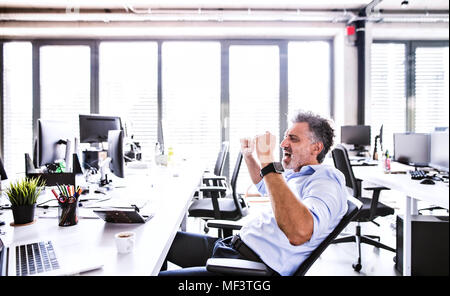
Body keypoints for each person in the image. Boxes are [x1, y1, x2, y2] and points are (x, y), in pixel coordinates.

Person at [159, 110, 348, 276]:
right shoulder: (296, 174)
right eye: (285, 136)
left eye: (293, 138)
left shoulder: (326, 180)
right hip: (232, 248)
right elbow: (264, 186)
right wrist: (249, 156)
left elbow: (299, 232)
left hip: (249, 269)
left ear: (316, 147)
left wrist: (267, 159)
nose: (283, 144)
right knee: (160, 243)